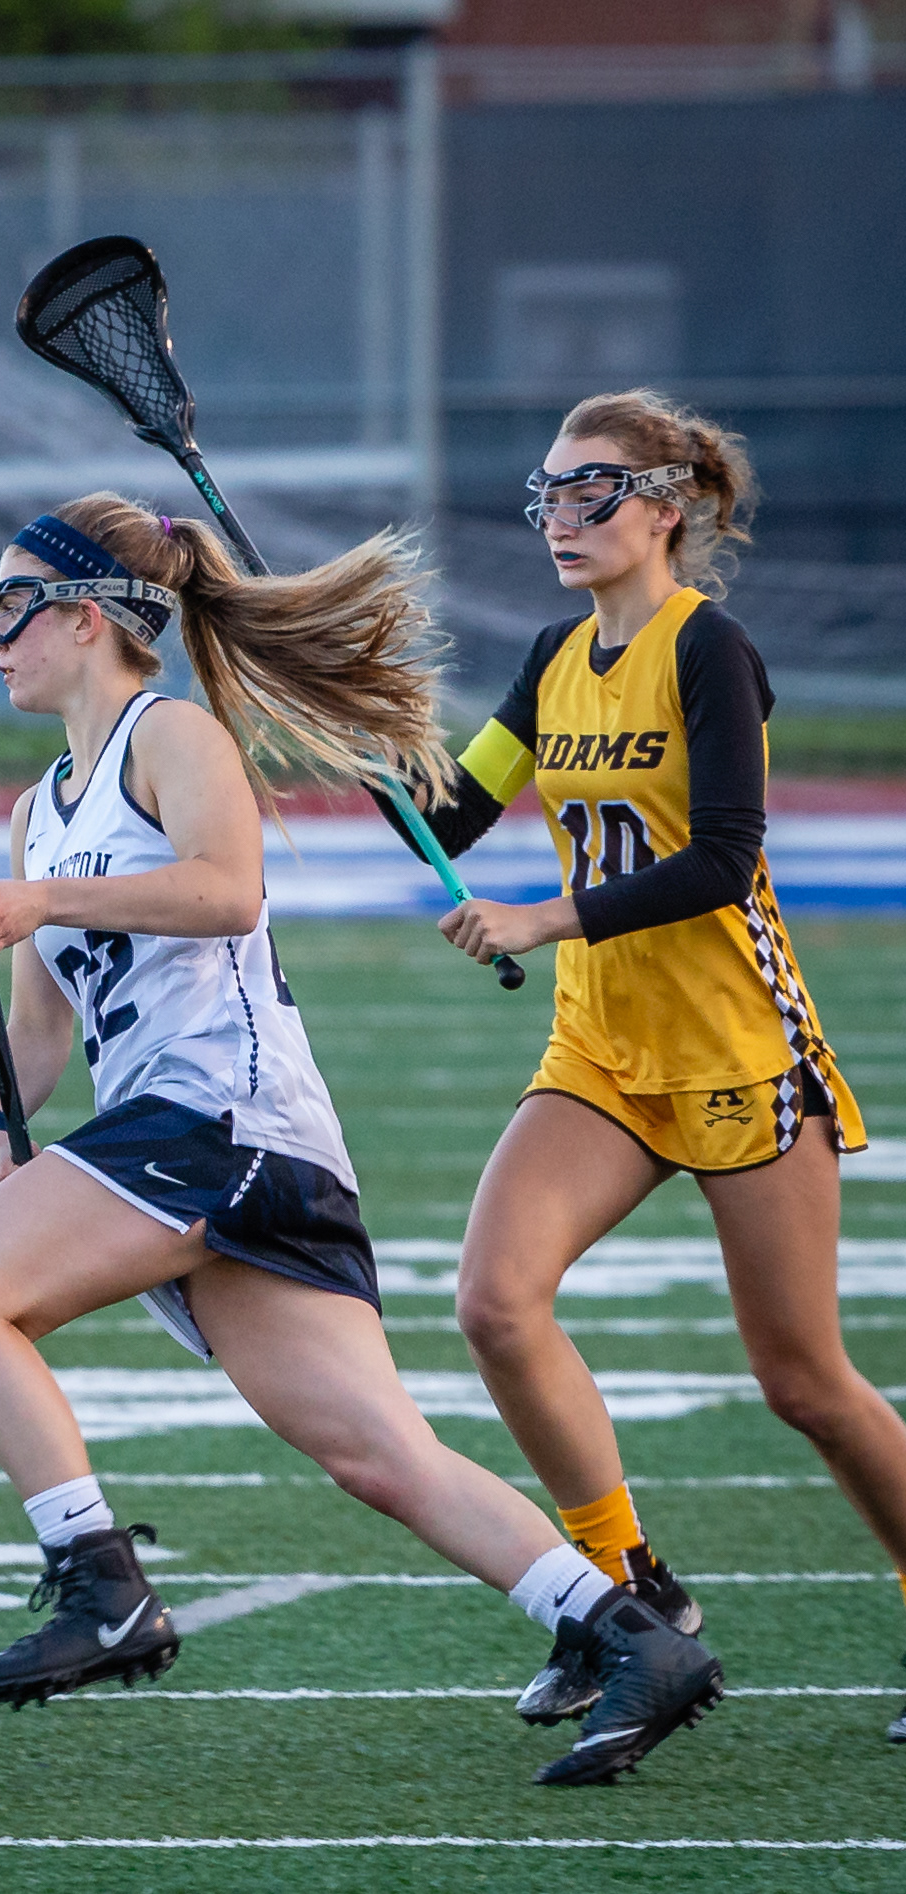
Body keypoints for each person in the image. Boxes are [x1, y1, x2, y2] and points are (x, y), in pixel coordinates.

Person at [0, 492, 722, 1786]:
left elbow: (226, 891)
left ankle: (99, 1584)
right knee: (378, 1453)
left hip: (220, 1117)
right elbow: (41, 1020)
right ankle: (632, 1637)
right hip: (226, 1144)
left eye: (10, 605)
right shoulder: (35, 810)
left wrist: (40, 898)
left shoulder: (169, 735)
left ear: (87, 614)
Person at [377, 387, 906, 1743]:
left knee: (803, 1383)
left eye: (590, 490)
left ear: (666, 507)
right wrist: (368, 737)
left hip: (735, 1046)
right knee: (495, 1303)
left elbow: (722, 859)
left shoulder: (708, 649)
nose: (559, 516)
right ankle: (632, 1591)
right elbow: (450, 813)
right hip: (601, 1051)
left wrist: (540, 917)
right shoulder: (553, 656)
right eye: (547, 492)